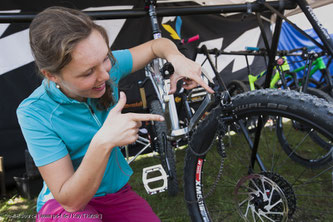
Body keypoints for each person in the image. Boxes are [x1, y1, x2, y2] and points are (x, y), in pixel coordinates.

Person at [16, 6, 213, 222]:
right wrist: (103, 141)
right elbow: (70, 201)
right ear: (51, 75)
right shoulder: (34, 112)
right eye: (88, 72)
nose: (105, 75)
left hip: (114, 195)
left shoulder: (107, 69)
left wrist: (177, 59)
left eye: (105, 58)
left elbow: (157, 45)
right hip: (64, 207)